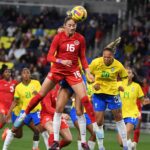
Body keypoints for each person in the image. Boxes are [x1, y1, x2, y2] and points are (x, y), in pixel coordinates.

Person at [13, 16, 101, 150]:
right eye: (70, 25)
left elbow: (82, 57)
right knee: (42, 95)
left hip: (73, 73)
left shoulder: (80, 39)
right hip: (58, 70)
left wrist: (87, 71)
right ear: (65, 26)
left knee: (84, 100)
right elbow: (49, 56)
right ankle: (25, 114)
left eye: (74, 25)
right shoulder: (58, 37)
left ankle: (94, 128)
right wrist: (61, 61)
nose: (72, 27)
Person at [89, 37, 128, 150]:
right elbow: (87, 73)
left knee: (118, 117)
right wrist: (92, 82)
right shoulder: (96, 62)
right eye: (104, 57)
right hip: (99, 94)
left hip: (112, 93)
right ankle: (101, 147)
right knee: (99, 121)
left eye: (108, 57)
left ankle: (125, 145)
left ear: (113, 56)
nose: (106, 59)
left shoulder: (118, 65)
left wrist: (122, 85)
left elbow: (125, 77)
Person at [2, 68, 46, 150]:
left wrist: (37, 94)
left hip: (33, 111)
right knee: (18, 134)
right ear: (21, 75)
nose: (26, 74)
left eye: (28, 73)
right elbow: (15, 101)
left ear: (30, 75)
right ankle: (7, 136)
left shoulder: (36, 83)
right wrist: (8, 113)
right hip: (21, 113)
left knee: (38, 130)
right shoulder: (18, 87)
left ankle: (35, 148)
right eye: (24, 73)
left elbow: (41, 95)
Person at [117, 67, 150, 150]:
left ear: (132, 75)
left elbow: (143, 101)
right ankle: (131, 145)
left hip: (132, 114)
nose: (127, 74)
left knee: (126, 133)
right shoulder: (118, 84)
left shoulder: (136, 86)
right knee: (121, 142)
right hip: (120, 115)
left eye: (129, 72)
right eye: (125, 72)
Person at [40, 84, 72, 149]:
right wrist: (62, 114)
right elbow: (48, 108)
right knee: (52, 131)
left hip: (58, 115)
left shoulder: (59, 88)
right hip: (47, 115)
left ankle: (55, 148)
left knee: (68, 139)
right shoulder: (46, 90)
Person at [0, 64, 18, 129]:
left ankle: (7, 133)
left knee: (1, 125)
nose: (8, 73)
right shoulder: (0, 82)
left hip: (10, 107)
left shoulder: (15, 83)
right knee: (2, 118)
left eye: (9, 72)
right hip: (1, 105)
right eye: (6, 72)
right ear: (3, 74)